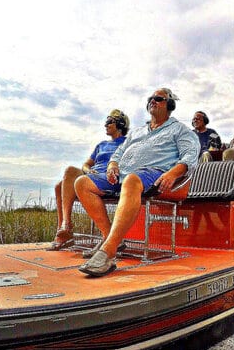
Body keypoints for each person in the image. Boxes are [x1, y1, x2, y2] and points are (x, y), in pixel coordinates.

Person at [74, 88, 200, 277]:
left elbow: (190, 155)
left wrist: (174, 173)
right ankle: (112, 238)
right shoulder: (137, 131)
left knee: (132, 180)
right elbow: (118, 152)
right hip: (121, 174)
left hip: (153, 173)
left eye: (158, 99)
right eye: (151, 98)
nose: (152, 101)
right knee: (81, 183)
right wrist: (112, 165)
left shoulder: (180, 130)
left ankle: (108, 251)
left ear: (170, 105)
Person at [47, 109, 130, 251]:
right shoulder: (101, 145)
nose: (105, 124)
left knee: (72, 182)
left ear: (120, 124)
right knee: (62, 182)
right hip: (92, 174)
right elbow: (86, 164)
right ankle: (65, 226)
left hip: (108, 177)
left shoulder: (127, 143)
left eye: (109, 121)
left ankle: (106, 236)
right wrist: (87, 170)